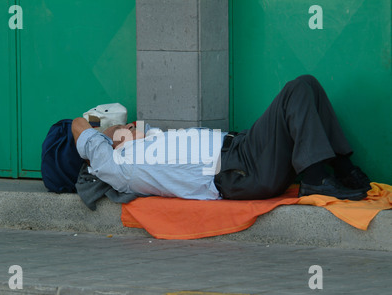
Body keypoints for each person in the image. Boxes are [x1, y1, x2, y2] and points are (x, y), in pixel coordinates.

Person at [72, 75, 371, 201]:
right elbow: (76, 126)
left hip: (242, 149)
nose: (132, 128)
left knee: (307, 85)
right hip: (239, 169)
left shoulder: (144, 143)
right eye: (122, 133)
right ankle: (316, 180)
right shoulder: (117, 168)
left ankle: (341, 167)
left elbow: (129, 129)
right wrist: (104, 132)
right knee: (296, 90)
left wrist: (126, 133)